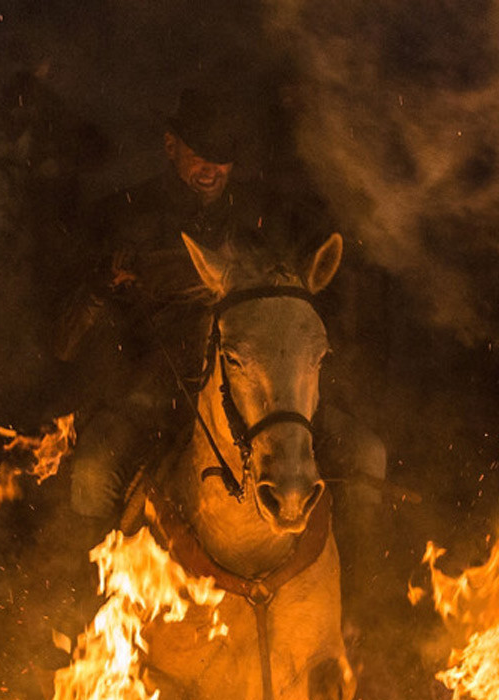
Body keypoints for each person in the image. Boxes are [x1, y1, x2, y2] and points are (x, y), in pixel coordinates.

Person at [59, 88, 388, 603]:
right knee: (96, 467)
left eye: (222, 156)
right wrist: (105, 283)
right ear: (171, 147)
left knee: (367, 453)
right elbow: (69, 336)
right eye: (198, 152)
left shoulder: (258, 214)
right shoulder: (130, 215)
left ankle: (365, 602)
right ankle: (89, 609)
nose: (211, 166)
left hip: (258, 380)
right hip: (161, 382)